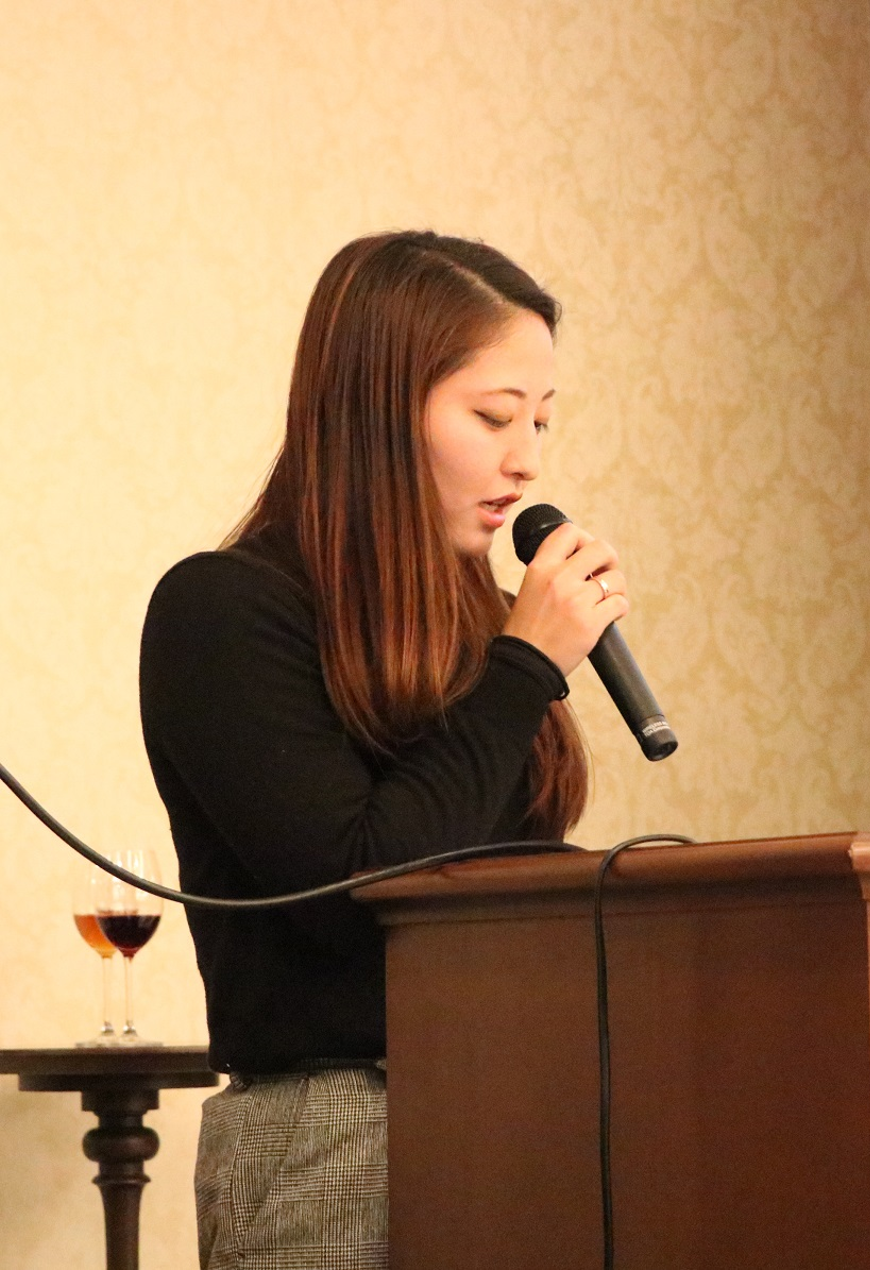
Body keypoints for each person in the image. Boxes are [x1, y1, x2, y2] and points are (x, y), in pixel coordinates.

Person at [139, 232, 628, 1268]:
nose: (528, 459)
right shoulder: (224, 611)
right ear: (377, 408)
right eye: (494, 416)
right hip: (333, 1131)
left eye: (541, 420)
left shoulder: (482, 631)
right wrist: (524, 671)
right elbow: (356, 888)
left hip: (518, 1108)